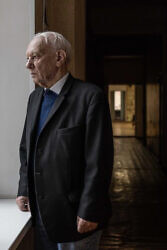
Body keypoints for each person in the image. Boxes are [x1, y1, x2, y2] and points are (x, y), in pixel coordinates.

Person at [16, 31, 114, 250]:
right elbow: (27, 149)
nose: (28, 65)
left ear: (59, 58)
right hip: (41, 213)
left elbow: (99, 160)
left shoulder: (90, 97)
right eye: (27, 58)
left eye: (35, 57)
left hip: (76, 216)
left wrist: (90, 209)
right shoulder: (35, 98)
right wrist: (24, 188)